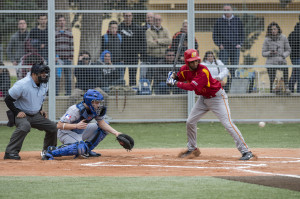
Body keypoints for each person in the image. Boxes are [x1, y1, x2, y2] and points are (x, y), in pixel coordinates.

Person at [166, 49, 253, 160]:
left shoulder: (203, 71)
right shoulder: (184, 69)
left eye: (196, 61)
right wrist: (173, 77)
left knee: (228, 124)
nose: (195, 63)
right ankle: (192, 149)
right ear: (187, 62)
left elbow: (192, 87)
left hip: (217, 98)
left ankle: (246, 151)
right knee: (190, 122)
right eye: (192, 61)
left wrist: (175, 82)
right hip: (203, 99)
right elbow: (180, 76)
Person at [41, 89, 123, 160]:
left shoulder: (94, 109)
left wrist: (116, 133)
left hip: (80, 131)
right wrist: (76, 126)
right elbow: (59, 125)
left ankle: (86, 151)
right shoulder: (74, 110)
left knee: (104, 128)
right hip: (66, 133)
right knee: (80, 147)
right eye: (97, 102)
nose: (99, 105)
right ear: (90, 101)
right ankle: (51, 151)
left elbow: (102, 123)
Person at [3, 63, 57, 160]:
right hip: (21, 114)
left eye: (46, 73)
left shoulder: (45, 83)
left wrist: (40, 110)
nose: (44, 75)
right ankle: (10, 152)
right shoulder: (22, 84)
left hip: (35, 114)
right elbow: (8, 99)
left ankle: (48, 151)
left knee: (53, 127)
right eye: (41, 73)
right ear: (33, 74)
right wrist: (16, 112)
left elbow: (40, 97)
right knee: (25, 126)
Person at [213, 4, 245, 93]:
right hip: (224, 49)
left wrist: (240, 44)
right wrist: (219, 44)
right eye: (225, 10)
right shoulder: (219, 21)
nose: (226, 11)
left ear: (232, 10)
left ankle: (233, 88)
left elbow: (242, 33)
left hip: (235, 48)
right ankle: (222, 88)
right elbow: (215, 34)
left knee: (234, 68)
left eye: (228, 9)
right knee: (223, 68)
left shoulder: (237, 20)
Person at [262, 22, 291, 93]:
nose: (273, 31)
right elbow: (263, 53)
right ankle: (272, 89)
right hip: (271, 62)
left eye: (274, 29)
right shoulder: (266, 39)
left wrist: (283, 55)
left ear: (278, 29)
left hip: (281, 60)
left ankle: (286, 87)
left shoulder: (283, 37)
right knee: (272, 77)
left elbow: (288, 50)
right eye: (271, 29)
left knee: (285, 69)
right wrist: (270, 52)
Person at [118, 12, 143, 86]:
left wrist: (140, 53)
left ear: (132, 17)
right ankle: (120, 91)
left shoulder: (137, 28)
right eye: (126, 16)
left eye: (129, 16)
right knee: (120, 76)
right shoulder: (119, 27)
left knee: (132, 76)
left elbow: (141, 42)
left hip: (133, 56)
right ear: (123, 16)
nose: (128, 17)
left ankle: (133, 91)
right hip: (122, 56)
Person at [55, 15, 74, 96]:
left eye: (63, 20)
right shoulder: (55, 33)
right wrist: (55, 56)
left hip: (67, 59)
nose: (61, 22)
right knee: (57, 78)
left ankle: (68, 94)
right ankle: (56, 94)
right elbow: (53, 46)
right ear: (57, 22)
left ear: (65, 22)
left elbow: (72, 45)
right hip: (58, 59)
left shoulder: (69, 33)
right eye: (60, 21)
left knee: (68, 77)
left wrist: (71, 57)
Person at [288, 18, 300, 93]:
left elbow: (288, 45)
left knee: (295, 73)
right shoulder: (296, 34)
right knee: (298, 75)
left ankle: (290, 89)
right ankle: (298, 92)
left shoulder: (292, 34)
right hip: (297, 57)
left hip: (294, 57)